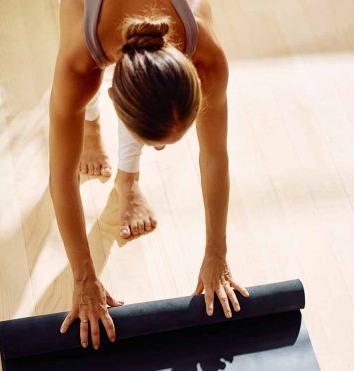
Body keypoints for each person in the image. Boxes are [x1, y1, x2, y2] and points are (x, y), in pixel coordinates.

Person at [50, 0, 249, 350]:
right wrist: (84, 276)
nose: (160, 151)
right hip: (95, 34)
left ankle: (126, 180)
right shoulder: (79, 62)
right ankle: (91, 126)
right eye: (153, 143)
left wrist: (217, 253)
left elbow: (215, 156)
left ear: (197, 82)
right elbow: (62, 177)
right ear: (113, 96)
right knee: (78, 99)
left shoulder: (208, 55)